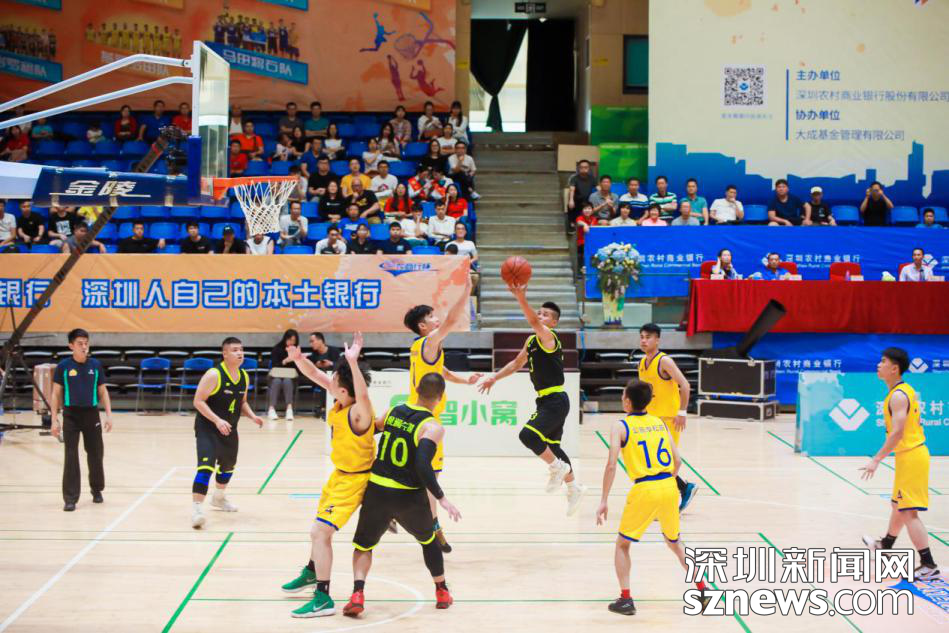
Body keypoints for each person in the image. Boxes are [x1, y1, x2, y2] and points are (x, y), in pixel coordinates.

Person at [596, 379, 711, 616]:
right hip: (669, 486)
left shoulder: (620, 426)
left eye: (623, 396)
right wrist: (665, 483)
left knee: (622, 544)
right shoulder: (659, 422)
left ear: (627, 402)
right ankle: (704, 590)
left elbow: (611, 465)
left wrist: (604, 500)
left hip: (644, 489)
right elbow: (678, 461)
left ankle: (625, 599)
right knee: (676, 543)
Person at [349, 373, 462, 613]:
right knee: (429, 541)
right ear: (441, 397)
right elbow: (422, 464)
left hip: (378, 490)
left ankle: (358, 593)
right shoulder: (432, 427)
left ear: (417, 389)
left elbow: (369, 429)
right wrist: (441, 498)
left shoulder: (393, 410)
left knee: (364, 546)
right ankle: (442, 591)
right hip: (408, 496)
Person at [280, 334, 374, 617]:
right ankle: (312, 571)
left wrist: (353, 363)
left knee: (319, 532)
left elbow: (363, 395)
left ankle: (323, 598)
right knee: (318, 528)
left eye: (333, 379)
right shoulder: (341, 400)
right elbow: (315, 374)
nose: (328, 380)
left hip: (355, 480)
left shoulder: (359, 412)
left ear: (343, 390)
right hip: (338, 476)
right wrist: (299, 359)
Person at [478, 286, 585, 515]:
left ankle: (557, 468)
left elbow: (534, 323)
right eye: (539, 313)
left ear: (554, 323)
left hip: (555, 399)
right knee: (552, 447)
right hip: (546, 400)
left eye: (545, 315)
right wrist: (494, 378)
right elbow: (517, 363)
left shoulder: (549, 338)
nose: (540, 316)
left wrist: (520, 297)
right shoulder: (531, 341)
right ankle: (573, 487)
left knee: (527, 435)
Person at [402, 278, 478, 553]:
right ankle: (433, 528)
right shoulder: (429, 341)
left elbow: (442, 372)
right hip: (425, 421)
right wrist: (467, 290)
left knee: (416, 474)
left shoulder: (420, 347)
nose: (437, 320)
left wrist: (465, 380)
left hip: (413, 414)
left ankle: (397, 513)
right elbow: (453, 320)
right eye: (432, 317)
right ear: (423, 326)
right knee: (429, 476)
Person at [861, 347, 940, 580]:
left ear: (894, 368)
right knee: (898, 504)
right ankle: (885, 545)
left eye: (883, 361)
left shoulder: (898, 396)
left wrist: (876, 459)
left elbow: (897, 432)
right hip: (907, 456)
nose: (879, 365)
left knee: (908, 512)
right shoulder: (902, 391)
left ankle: (929, 565)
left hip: (912, 456)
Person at [190, 337, 264, 528]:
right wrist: (217, 420)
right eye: (234, 350)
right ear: (225, 354)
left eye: (241, 350)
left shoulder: (244, 376)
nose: (240, 353)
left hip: (229, 428)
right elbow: (198, 401)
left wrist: (252, 416)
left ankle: (218, 498)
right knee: (205, 468)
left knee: (228, 467)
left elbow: (242, 402)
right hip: (208, 428)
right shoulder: (214, 374)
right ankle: (197, 510)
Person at [50, 329, 114, 512]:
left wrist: (109, 415)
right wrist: (54, 420)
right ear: (71, 346)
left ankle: (97, 489)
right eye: (80, 343)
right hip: (71, 415)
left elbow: (103, 391)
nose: (84, 346)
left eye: (86, 343)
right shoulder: (63, 366)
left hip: (91, 415)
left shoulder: (95, 365)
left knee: (96, 454)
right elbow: (55, 394)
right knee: (70, 456)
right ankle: (70, 498)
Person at [637, 323, 697, 511]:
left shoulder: (664, 361)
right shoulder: (642, 362)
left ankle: (666, 501)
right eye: (642, 337)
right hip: (651, 419)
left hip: (668, 420)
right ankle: (684, 488)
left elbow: (685, 385)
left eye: (648, 337)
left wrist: (682, 412)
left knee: (663, 462)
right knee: (655, 462)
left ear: (657, 340)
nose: (644, 340)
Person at [268, 330, 300, 421]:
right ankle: (271, 409)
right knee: (277, 381)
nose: (291, 342)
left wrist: (295, 359)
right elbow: (274, 365)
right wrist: (285, 361)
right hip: (276, 375)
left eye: (294, 341)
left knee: (287, 381)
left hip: (290, 377)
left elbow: (298, 368)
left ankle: (289, 409)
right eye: (290, 340)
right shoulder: (277, 349)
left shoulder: (296, 351)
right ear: (285, 339)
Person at [567, 160, 596, 227]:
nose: (583, 169)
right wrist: (571, 200)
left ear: (589, 168)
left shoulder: (592, 178)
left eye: (586, 167)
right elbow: (572, 189)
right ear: (579, 168)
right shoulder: (574, 178)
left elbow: (598, 188)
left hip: (587, 201)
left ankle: (589, 224)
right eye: (581, 167)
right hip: (577, 201)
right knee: (570, 205)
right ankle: (572, 224)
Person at [576, 202, 598, 268]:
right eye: (585, 209)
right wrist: (584, 224)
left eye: (589, 208)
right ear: (582, 210)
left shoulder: (594, 219)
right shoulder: (580, 218)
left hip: (592, 242)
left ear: (592, 210)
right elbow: (579, 222)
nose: (587, 210)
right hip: (582, 243)